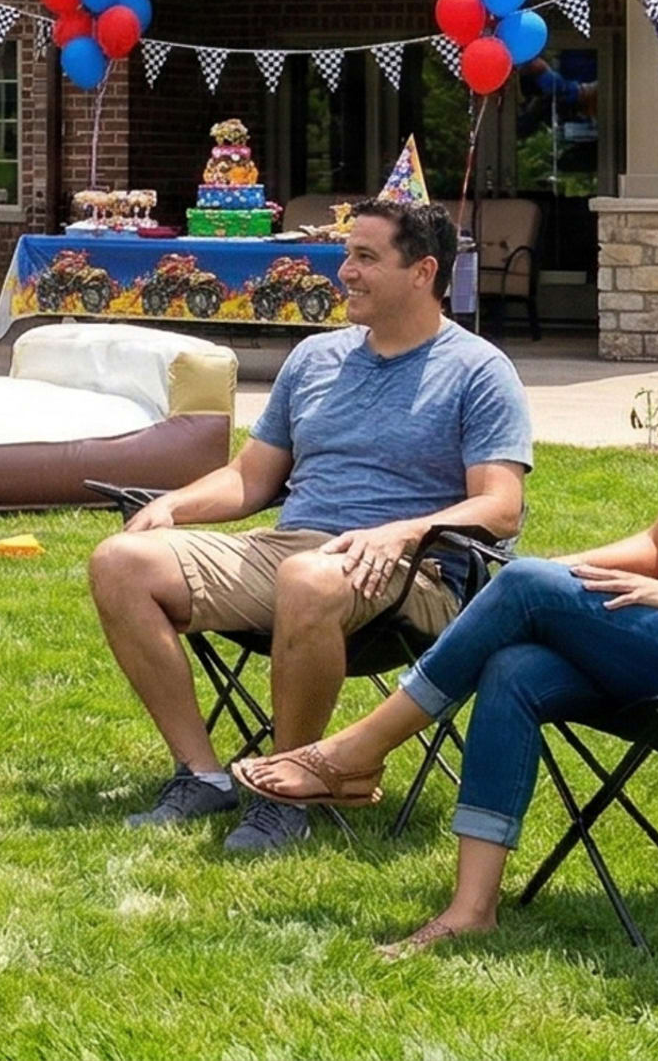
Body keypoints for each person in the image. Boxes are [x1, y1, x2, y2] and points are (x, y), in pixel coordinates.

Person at [232, 255, 658, 956]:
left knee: (525, 587)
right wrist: (559, 573)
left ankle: (357, 751)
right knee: (516, 667)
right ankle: (471, 909)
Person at [84, 200, 533, 854]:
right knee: (119, 561)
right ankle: (204, 775)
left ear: (422, 272)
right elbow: (251, 478)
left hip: (416, 572)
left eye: (366, 258)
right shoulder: (315, 358)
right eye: (348, 255)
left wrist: (400, 533)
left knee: (308, 578)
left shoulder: (479, 370)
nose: (345, 271)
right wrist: (176, 505)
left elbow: (500, 506)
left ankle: (286, 793)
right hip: (293, 552)